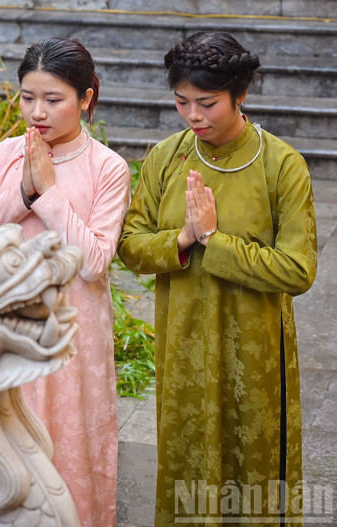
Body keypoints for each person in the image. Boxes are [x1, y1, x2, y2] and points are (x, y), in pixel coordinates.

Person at [117, 31, 317, 525]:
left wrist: (215, 240)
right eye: (182, 102)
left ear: (241, 94)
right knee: (187, 457)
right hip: (182, 345)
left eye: (207, 103)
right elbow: (129, 244)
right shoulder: (167, 157)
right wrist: (181, 240)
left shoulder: (282, 166)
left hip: (254, 351)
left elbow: (298, 269)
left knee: (251, 465)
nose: (193, 116)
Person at [0, 37, 131, 527]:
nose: (37, 112)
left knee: (68, 443)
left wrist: (49, 195)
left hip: (71, 332)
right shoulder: (6, 155)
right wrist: (21, 194)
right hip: (2, 326)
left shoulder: (107, 168)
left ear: (85, 99)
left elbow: (93, 260)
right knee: (2, 447)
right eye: (28, 97)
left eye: (53, 99)